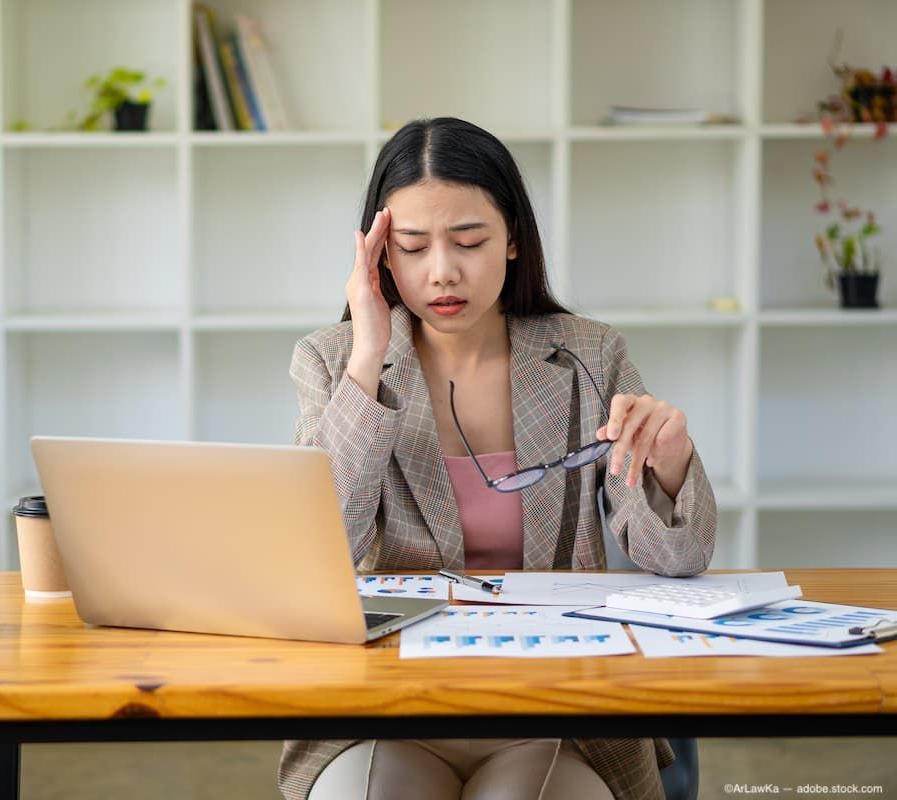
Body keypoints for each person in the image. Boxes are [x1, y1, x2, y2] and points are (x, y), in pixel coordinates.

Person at [280, 117, 717, 800]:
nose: (442, 271)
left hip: (552, 706)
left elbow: (678, 560)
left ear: (512, 238)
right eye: (413, 247)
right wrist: (367, 355)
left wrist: (671, 462)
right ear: (379, 256)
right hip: (388, 707)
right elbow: (320, 551)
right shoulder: (331, 361)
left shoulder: (590, 356)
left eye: (469, 240)